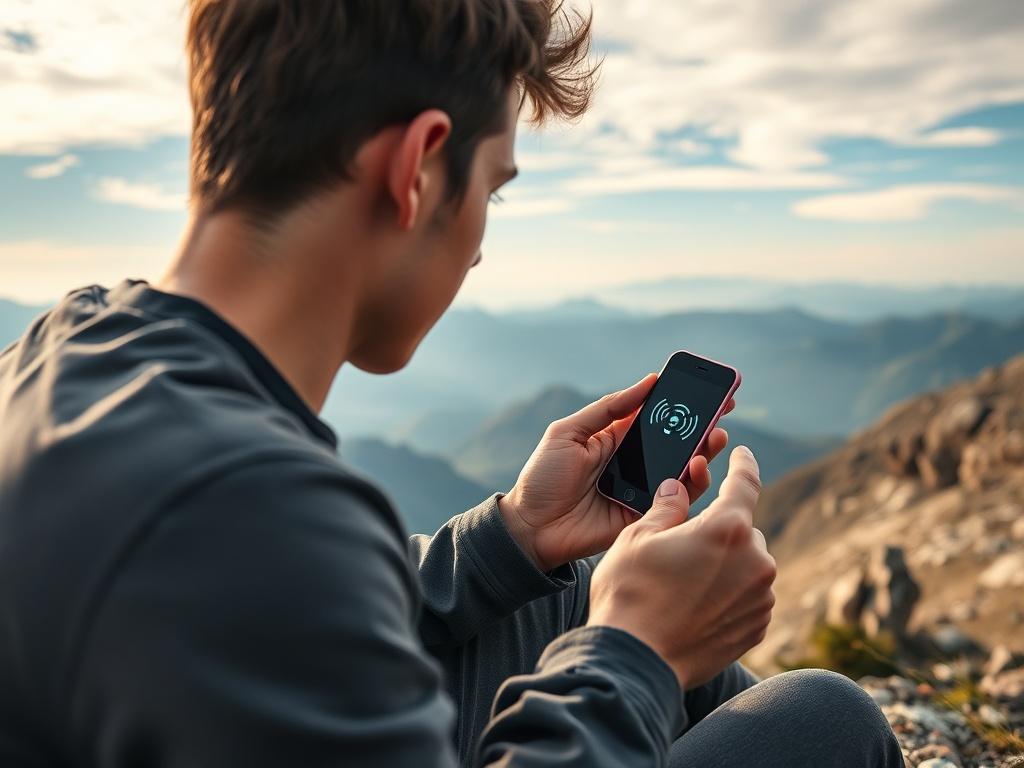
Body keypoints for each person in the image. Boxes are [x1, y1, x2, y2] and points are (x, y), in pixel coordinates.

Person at [0, 1, 905, 766]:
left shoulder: (70, 340)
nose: (479, 243)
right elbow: (277, 571)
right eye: (493, 190)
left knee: (574, 593)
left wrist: (513, 536)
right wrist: (634, 654)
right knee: (824, 718)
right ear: (419, 167)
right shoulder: (248, 508)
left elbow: (295, 613)